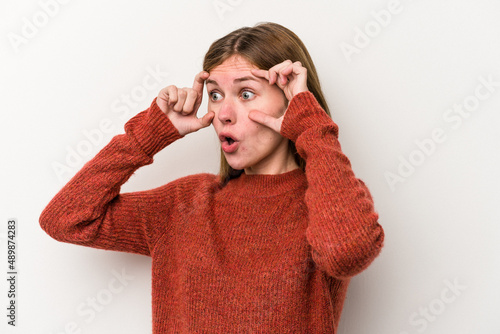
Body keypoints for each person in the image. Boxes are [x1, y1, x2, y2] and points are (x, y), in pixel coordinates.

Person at [40, 22, 384, 333]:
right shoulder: (185, 203)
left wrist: (312, 127)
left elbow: (346, 254)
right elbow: (65, 220)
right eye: (215, 95)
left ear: (291, 102)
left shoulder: (329, 200)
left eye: (246, 93)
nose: (223, 114)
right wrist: (146, 137)